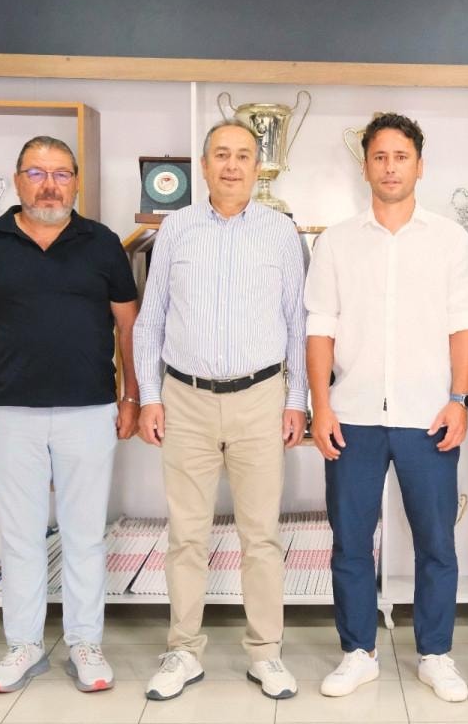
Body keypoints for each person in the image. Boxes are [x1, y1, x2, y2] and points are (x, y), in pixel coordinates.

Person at [0, 136, 140, 694]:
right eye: (36, 173)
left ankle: (85, 644)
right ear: (16, 180)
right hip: (7, 412)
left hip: (90, 411)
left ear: (75, 181)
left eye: (60, 174)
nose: (49, 185)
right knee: (21, 537)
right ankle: (24, 646)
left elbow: (129, 325)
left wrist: (131, 397)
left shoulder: (102, 243)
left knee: (85, 536)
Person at [305, 113, 468, 701]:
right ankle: (358, 652)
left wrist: (459, 399)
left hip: (428, 415)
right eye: (379, 156)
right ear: (366, 167)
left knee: (437, 543)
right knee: (351, 541)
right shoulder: (336, 241)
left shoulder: (451, 239)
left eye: (401, 156)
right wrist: (321, 406)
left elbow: (462, 324)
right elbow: (320, 326)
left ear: (420, 166)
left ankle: (436, 653)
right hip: (351, 415)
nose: (390, 167)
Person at [134, 120, 308, 702]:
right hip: (185, 400)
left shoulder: (280, 232)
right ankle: (183, 651)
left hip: (261, 399)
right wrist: (150, 396)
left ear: (258, 168)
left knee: (261, 536)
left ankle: (266, 653)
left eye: (243, 156)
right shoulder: (175, 229)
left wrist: (296, 400)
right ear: (204, 166)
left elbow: (298, 322)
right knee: (187, 535)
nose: (232, 166)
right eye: (221, 155)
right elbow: (151, 320)